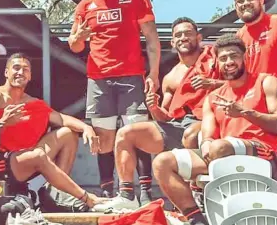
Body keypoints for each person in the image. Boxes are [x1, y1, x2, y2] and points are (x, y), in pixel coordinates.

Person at [92, 17, 223, 210]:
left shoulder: (216, 58)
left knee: (192, 134)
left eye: (188, 33)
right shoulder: (170, 77)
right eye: (178, 35)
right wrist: (153, 107)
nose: (183, 37)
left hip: (209, 123)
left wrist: (212, 84)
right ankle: (127, 195)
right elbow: (167, 118)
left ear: (199, 37)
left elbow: (240, 84)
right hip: (179, 126)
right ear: (172, 42)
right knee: (125, 134)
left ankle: (197, 193)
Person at [152, 33, 277, 225]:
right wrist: (205, 149)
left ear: (244, 57)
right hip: (222, 154)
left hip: (263, 153)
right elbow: (208, 136)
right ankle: (197, 220)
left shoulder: (266, 82)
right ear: (217, 63)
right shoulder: (213, 97)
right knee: (163, 162)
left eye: (234, 56)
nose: (229, 62)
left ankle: (207, 194)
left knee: (220, 147)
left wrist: (246, 113)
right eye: (223, 58)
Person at [68, 0, 161, 199]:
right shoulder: (85, 6)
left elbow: (152, 39)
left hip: (131, 77)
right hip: (99, 81)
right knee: (104, 140)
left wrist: (154, 74)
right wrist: (78, 38)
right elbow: (74, 45)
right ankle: (108, 193)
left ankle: (144, 192)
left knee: (136, 135)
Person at [0, 53, 104, 209]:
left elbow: (62, 119)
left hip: (29, 159)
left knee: (67, 133)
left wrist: (87, 127)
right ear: (6, 72)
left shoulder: (33, 102)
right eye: (16, 68)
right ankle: (86, 198)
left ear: (30, 76)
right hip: (1, 163)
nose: (20, 72)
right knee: (37, 155)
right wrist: (2, 123)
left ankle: (55, 193)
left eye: (25, 69)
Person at [233, 0, 277, 80]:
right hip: (251, 94)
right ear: (235, 6)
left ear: (261, 0)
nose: (245, 3)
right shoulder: (238, 37)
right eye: (240, 1)